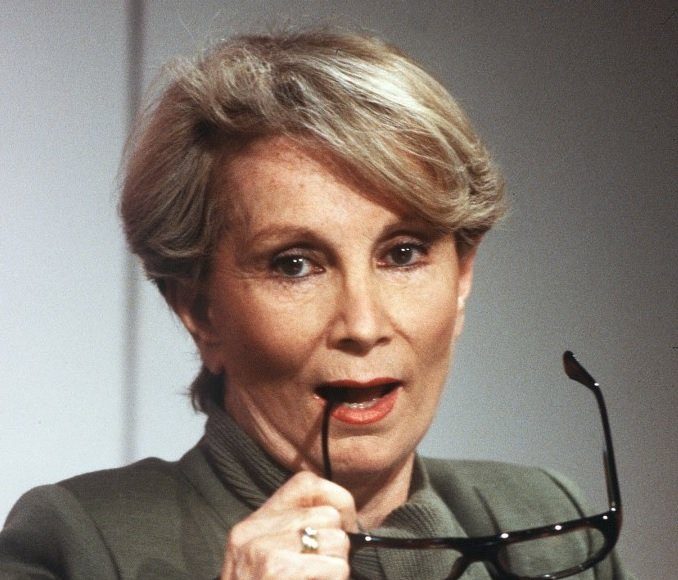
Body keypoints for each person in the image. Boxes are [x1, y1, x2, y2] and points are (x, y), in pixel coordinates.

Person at [0, 29, 630, 579]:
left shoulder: (554, 525)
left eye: (403, 254)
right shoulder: (77, 545)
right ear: (200, 312)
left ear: (462, 276)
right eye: (294, 264)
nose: (363, 325)